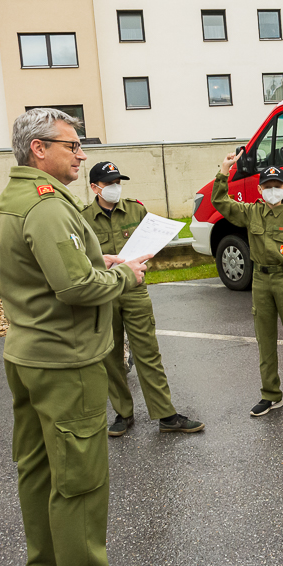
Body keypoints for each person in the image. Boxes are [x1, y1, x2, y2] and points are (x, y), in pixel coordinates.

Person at [0, 108, 150, 566]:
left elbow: (46, 267)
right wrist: (124, 276)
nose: (81, 155)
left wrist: (100, 259)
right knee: (80, 482)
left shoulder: (13, 199)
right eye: (72, 145)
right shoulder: (47, 206)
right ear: (39, 149)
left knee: (38, 470)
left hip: (28, 354)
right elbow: (76, 286)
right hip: (66, 361)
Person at [80, 161, 204, 437]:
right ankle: (123, 413)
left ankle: (166, 415)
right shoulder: (82, 219)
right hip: (104, 293)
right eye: (109, 183)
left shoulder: (136, 209)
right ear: (94, 187)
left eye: (118, 182)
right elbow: (78, 259)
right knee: (111, 356)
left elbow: (152, 242)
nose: (115, 188)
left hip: (134, 290)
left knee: (148, 353)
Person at [211, 152, 283, 418]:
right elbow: (220, 202)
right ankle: (270, 395)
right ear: (260, 190)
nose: (273, 191)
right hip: (261, 281)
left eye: (277, 186)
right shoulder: (251, 213)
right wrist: (224, 171)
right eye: (267, 186)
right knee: (265, 340)